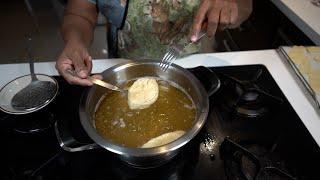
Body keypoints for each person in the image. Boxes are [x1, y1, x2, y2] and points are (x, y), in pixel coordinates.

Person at [56, 0, 252, 86]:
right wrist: (75, 41)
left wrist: (232, 6)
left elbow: (245, 6)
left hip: (189, 63)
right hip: (124, 64)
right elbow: (79, 13)